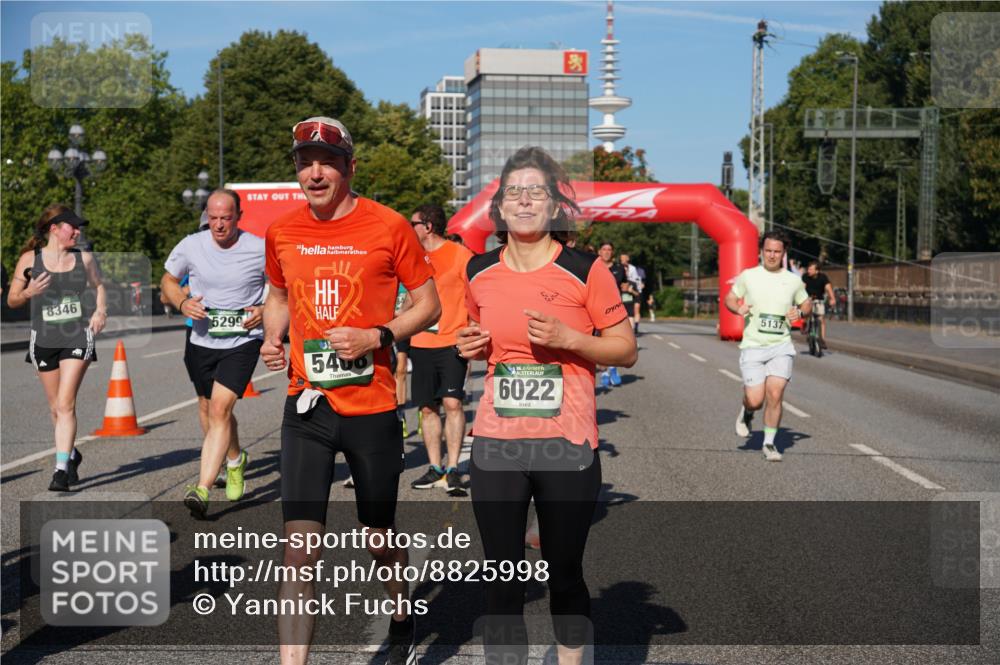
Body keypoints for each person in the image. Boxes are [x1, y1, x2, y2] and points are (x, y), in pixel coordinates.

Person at [260, 116, 440, 665]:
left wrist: (378, 335)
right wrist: (273, 335)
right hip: (307, 406)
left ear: (349, 168)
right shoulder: (283, 231)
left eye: (327, 163)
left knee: (378, 537)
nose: (315, 173)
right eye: (305, 162)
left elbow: (429, 303)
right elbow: (278, 295)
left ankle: (401, 607)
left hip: (373, 406)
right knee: (299, 552)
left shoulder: (388, 226)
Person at [457, 146, 637, 665]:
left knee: (564, 574)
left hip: (567, 440)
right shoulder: (479, 270)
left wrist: (570, 338)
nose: (525, 199)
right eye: (514, 191)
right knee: (501, 577)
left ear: (555, 204)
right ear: (500, 206)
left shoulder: (585, 270)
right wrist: (466, 346)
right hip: (497, 440)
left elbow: (624, 349)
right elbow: (474, 334)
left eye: (537, 190)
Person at [161, 189, 265, 517]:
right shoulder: (192, 244)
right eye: (213, 218)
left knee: (220, 409)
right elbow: (167, 280)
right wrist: (181, 301)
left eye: (226, 218)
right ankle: (235, 459)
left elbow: (283, 286)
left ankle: (202, 488)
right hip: (202, 340)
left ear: (239, 217)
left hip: (243, 340)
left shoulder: (259, 248)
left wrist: (264, 309)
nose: (219, 225)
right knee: (209, 408)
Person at [7, 204, 106, 491]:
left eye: (77, 227)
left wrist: (100, 311)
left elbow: (99, 286)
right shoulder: (29, 259)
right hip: (43, 339)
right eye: (71, 227)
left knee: (65, 404)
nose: (77, 231)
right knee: (55, 408)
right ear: (54, 229)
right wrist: (28, 292)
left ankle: (60, 470)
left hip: (77, 335)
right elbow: (12, 300)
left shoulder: (84, 258)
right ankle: (72, 454)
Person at [724, 230, 810, 462]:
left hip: (781, 346)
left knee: (775, 393)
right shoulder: (749, 275)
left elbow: (806, 302)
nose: (772, 255)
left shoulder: (793, 280)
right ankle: (747, 412)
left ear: (784, 253)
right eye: (768, 250)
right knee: (755, 399)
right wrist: (737, 308)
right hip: (753, 345)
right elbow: (730, 298)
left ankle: (769, 443)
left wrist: (800, 311)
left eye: (777, 251)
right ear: (762, 251)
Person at [408, 204, 474, 497]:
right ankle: (435, 467)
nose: (410, 229)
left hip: (452, 341)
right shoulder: (412, 258)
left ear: (428, 226)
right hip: (420, 342)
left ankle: (454, 469)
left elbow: (476, 296)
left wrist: (473, 331)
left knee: (452, 404)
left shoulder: (460, 255)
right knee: (426, 407)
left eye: (413, 223)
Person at [595, 242, 626, 387]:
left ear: (612, 252)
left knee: (613, 341)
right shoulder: (593, 266)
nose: (607, 252)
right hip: (596, 308)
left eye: (609, 250)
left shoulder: (619, 268)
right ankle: (605, 371)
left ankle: (612, 368)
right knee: (600, 342)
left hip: (615, 309)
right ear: (599, 251)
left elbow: (624, 286)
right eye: (604, 249)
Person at [801, 260, 836, 349]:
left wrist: (832, 298)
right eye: (808, 269)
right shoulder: (805, 276)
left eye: (811, 269)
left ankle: (822, 340)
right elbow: (802, 288)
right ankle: (804, 323)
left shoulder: (823, 277)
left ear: (817, 271)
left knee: (821, 319)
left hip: (819, 299)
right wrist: (801, 299)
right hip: (808, 299)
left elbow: (828, 288)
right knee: (806, 313)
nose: (809, 271)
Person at [619, 253, 643, 334]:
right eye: (621, 258)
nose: (623, 259)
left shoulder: (632, 268)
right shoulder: (618, 267)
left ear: (627, 258)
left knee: (635, 310)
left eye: (624, 258)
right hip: (624, 294)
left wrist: (631, 289)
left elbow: (637, 281)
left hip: (634, 289)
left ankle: (635, 327)